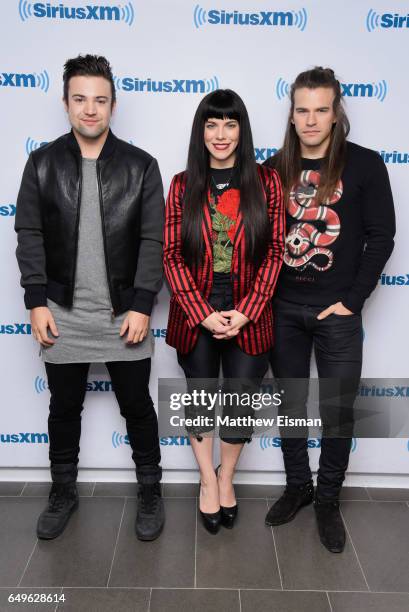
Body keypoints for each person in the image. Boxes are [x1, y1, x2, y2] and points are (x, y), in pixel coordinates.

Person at [15, 54, 165, 541]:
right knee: (63, 409)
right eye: (80, 99)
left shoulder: (142, 166)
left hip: (124, 313)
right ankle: (63, 492)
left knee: (137, 406)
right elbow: (29, 232)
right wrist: (36, 300)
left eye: (100, 100)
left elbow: (152, 240)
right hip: (61, 313)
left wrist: (142, 302)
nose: (90, 109)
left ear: (113, 105)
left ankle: (150, 491)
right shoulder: (41, 164)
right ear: (65, 103)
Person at [263, 67, 395, 552]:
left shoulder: (365, 165)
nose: (312, 119)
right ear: (292, 114)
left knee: (338, 412)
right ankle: (298, 486)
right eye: (303, 110)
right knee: (291, 405)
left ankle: (328, 499)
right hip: (282, 310)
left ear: (336, 112)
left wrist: (353, 300)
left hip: (337, 314)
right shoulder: (274, 168)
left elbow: (382, 237)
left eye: (322, 109)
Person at [164, 89, 285, 534]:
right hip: (195, 314)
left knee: (239, 402)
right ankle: (204, 480)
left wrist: (248, 310)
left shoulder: (266, 182)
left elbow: (275, 252)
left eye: (230, 124)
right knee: (199, 401)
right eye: (211, 124)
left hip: (249, 315)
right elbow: (171, 256)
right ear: (201, 131)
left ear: (241, 130)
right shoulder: (182, 184)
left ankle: (225, 477)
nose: (221, 134)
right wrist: (201, 313)